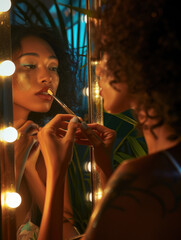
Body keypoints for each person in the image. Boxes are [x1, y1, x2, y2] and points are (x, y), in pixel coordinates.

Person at [36, 0, 181, 239]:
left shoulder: (142, 177)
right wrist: (105, 164)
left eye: (105, 51)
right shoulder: (168, 166)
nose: (97, 67)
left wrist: (56, 171)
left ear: (139, 58)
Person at [11, 24, 79, 240]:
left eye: (53, 68)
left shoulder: (43, 142)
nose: (46, 77)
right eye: (30, 66)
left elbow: (66, 229)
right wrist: (16, 167)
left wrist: (30, 171)